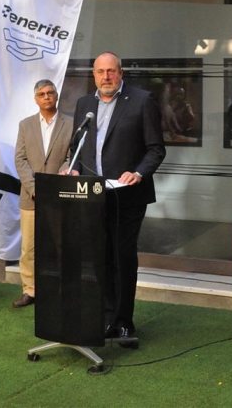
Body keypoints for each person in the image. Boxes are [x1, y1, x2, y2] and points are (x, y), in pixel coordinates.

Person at [67, 51, 165, 343]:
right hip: (92, 195)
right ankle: (106, 316)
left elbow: (156, 149)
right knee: (100, 257)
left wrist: (139, 172)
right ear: (93, 75)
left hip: (127, 196)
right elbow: (77, 146)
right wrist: (72, 167)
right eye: (100, 72)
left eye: (111, 71)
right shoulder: (85, 104)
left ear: (121, 73)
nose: (106, 77)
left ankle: (123, 321)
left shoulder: (142, 100)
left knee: (122, 257)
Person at [12, 79, 74, 308]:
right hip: (31, 198)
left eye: (50, 92)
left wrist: (54, 184)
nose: (46, 97)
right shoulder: (25, 125)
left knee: (61, 245)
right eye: (41, 94)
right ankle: (30, 290)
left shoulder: (71, 123)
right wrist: (35, 188)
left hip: (60, 196)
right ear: (35, 99)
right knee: (29, 248)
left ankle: (61, 288)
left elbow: (72, 157)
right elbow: (20, 159)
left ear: (56, 95)